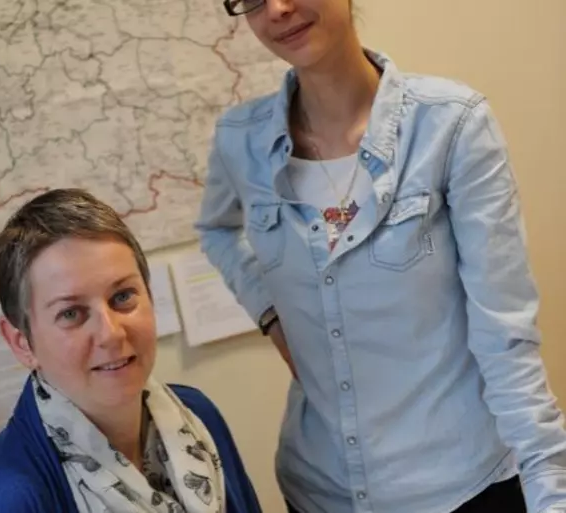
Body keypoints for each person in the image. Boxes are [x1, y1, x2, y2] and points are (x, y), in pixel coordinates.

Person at [195, 1, 566, 513]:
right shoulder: (242, 140)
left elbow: (505, 337)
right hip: (319, 488)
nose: (277, 9)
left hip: (459, 487)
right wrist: (271, 314)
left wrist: (551, 487)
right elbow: (215, 229)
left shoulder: (450, 126)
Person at [0, 188, 262, 513]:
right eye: (71, 313)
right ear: (22, 343)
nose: (111, 333)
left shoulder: (200, 414)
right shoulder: (2, 500)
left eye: (123, 296)